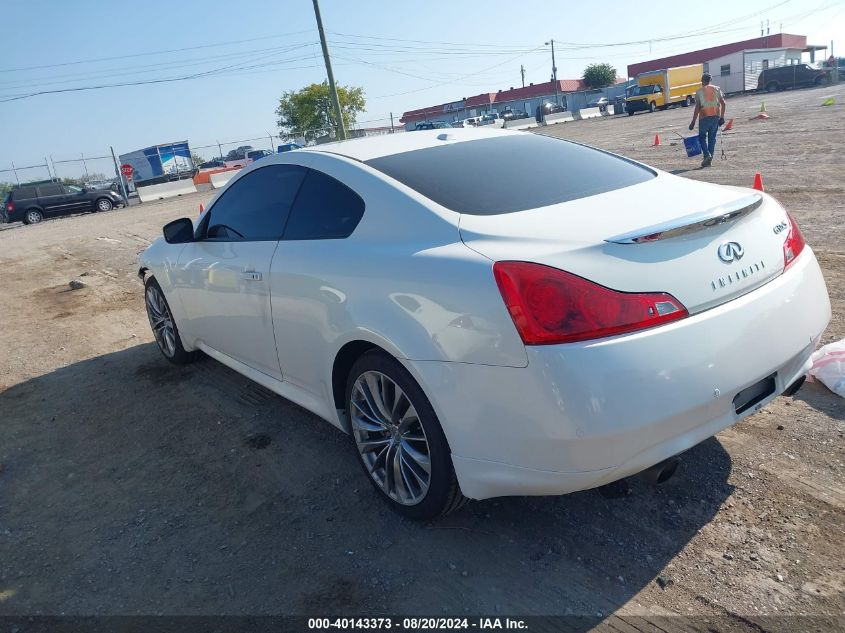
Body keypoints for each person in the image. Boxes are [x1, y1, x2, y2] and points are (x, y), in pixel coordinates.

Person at [688, 72, 726, 168]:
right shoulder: (717, 89)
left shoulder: (699, 92)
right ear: (710, 81)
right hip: (715, 118)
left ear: (702, 81)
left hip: (704, 117)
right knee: (712, 139)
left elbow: (697, 108)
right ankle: (709, 160)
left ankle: (706, 155)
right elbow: (723, 104)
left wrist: (693, 122)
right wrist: (722, 117)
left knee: (702, 137)